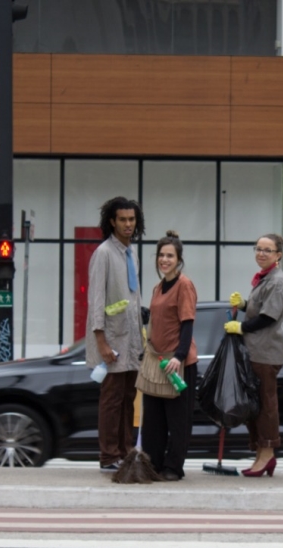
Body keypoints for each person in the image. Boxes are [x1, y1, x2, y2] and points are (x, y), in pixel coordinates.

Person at [86, 196, 146, 473]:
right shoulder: (104, 253)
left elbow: (132, 299)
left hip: (132, 340)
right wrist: (101, 342)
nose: (128, 224)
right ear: (112, 221)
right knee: (111, 400)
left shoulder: (130, 253)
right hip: (111, 339)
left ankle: (125, 452)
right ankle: (109, 456)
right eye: (122, 219)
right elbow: (96, 300)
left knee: (127, 400)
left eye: (131, 219)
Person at [224, 233, 283, 477]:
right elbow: (258, 308)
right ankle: (260, 454)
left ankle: (268, 453)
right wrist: (243, 305)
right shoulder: (264, 278)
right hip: (254, 350)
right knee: (255, 404)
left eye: (267, 250)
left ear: (278, 255)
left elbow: (268, 317)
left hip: (266, 352)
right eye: (258, 248)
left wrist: (241, 326)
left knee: (265, 405)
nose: (261, 253)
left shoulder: (278, 281)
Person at [141, 231, 198, 482]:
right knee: (153, 419)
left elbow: (187, 324)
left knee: (177, 421)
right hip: (157, 361)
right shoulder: (156, 287)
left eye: (170, 256)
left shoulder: (184, 285)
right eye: (161, 255)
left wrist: (180, 356)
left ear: (179, 259)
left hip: (178, 363)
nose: (164, 260)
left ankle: (174, 467)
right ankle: (152, 464)